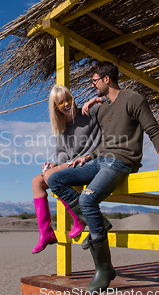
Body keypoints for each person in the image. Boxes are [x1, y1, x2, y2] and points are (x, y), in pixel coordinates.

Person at [47, 61, 159, 292]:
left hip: (121, 161)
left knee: (88, 199)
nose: (93, 86)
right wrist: (86, 158)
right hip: (100, 160)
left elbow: (154, 130)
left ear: (106, 79)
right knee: (54, 179)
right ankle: (98, 223)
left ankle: (104, 268)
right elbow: (102, 142)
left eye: (94, 81)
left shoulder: (133, 99)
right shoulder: (104, 108)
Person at [32, 84, 106, 254]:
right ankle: (46, 233)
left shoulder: (89, 112)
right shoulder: (60, 126)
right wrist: (53, 164)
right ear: (55, 107)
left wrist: (96, 99)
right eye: (60, 103)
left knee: (51, 176)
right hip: (71, 164)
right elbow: (62, 156)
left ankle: (78, 218)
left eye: (68, 99)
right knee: (37, 181)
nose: (66, 104)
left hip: (89, 162)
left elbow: (114, 100)